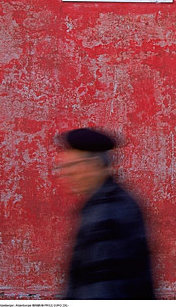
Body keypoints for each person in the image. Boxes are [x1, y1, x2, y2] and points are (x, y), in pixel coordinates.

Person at [53, 127, 155, 299]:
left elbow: (103, 288)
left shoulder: (107, 212)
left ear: (93, 165)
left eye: (71, 165)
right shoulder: (111, 201)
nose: (65, 173)